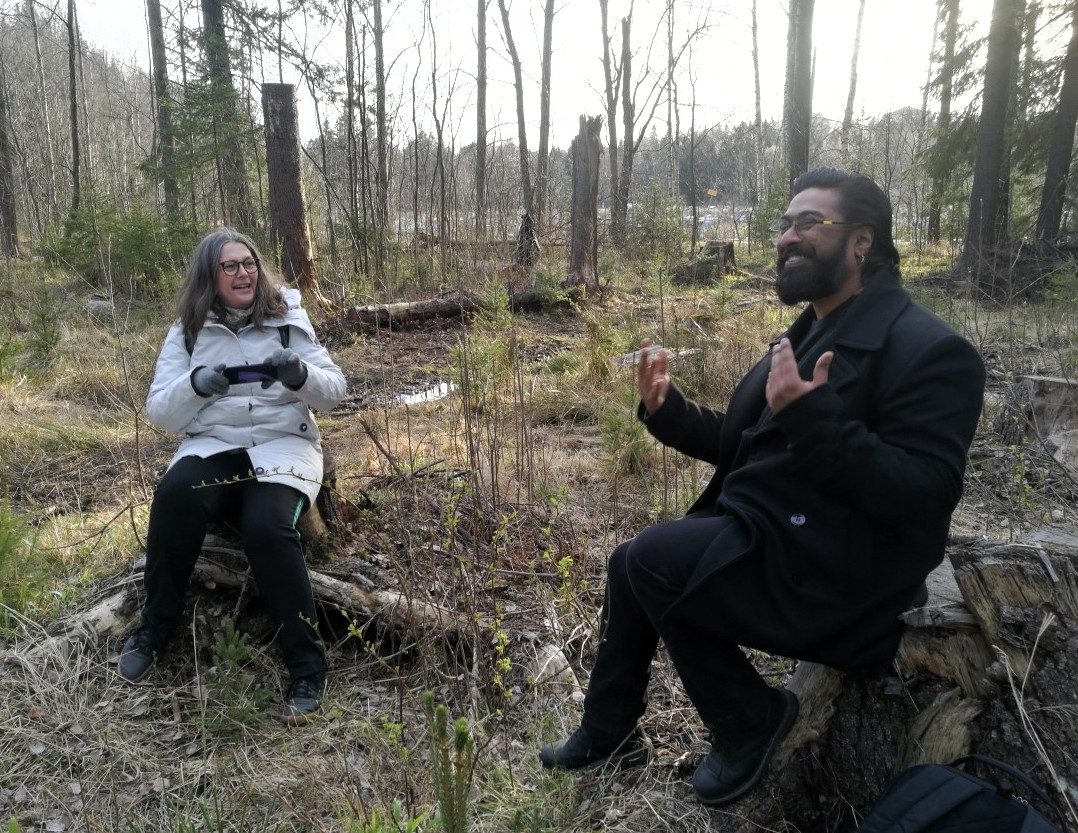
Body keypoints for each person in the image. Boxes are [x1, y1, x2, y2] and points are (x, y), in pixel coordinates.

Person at [539, 168, 986, 807]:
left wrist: (816, 421)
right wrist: (669, 412)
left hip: (845, 576)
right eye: (785, 223)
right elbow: (752, 445)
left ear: (863, 242)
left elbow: (925, 492)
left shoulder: (929, 349)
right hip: (776, 539)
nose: (788, 236)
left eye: (810, 223)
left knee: (655, 561)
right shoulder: (807, 334)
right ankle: (609, 731)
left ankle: (749, 720)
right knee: (630, 562)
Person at [118, 228, 347, 725]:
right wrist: (196, 386)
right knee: (176, 496)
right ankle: (155, 627)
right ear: (210, 276)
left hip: (283, 445)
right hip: (216, 445)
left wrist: (299, 375)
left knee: (268, 529)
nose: (244, 273)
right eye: (231, 266)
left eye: (249, 264)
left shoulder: (288, 316)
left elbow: (336, 390)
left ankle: (307, 668)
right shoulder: (188, 329)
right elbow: (160, 410)